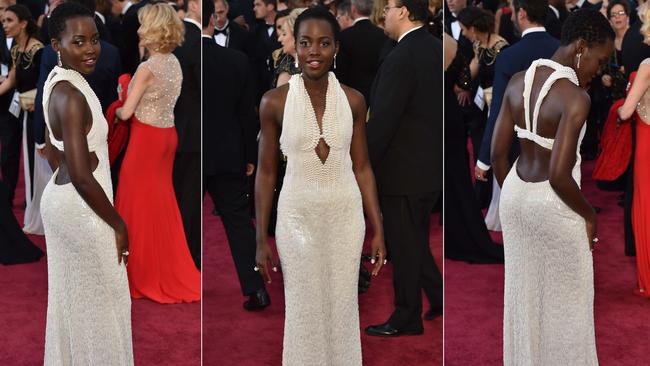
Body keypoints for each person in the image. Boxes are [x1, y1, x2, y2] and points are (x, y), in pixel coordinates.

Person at [255, 6, 386, 364]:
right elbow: (266, 173)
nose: (314, 51)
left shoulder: (355, 100)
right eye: (306, 42)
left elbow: (362, 167)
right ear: (293, 48)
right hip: (296, 218)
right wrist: (260, 240)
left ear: (336, 48)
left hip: (345, 217)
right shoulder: (273, 103)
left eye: (324, 43)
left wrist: (378, 227)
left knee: (343, 304)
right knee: (303, 305)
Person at [492, 9, 613, 364]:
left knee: (524, 296)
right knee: (568, 304)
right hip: (555, 203)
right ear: (581, 47)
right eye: (599, 59)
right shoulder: (576, 98)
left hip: (515, 196)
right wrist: (590, 215)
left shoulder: (516, 81)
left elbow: (499, 154)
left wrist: (517, 199)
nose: (599, 68)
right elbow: (560, 175)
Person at [40, 2, 133, 363]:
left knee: (79, 300)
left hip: (68, 199)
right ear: (56, 45)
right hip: (80, 206)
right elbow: (80, 175)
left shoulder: (60, 81)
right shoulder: (71, 94)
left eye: (94, 39)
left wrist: (75, 156)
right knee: (104, 299)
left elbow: (50, 147)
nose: (91, 49)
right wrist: (119, 224)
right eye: (78, 42)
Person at [363, 0, 443, 337]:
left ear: (404, 11)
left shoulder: (401, 56)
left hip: (403, 171)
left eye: (389, 6)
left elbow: (382, 121)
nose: (383, 14)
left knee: (405, 244)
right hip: (428, 168)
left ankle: (406, 316)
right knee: (413, 241)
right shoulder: (434, 46)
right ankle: (437, 295)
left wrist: (362, 165)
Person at [114, 2, 200, 304]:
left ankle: (138, 273)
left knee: (134, 203)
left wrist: (121, 90)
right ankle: (164, 267)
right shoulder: (173, 62)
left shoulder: (148, 68)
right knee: (161, 204)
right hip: (168, 137)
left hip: (146, 141)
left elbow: (126, 113)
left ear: (153, 29)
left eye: (142, 24)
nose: (138, 30)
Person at [203, 0, 270, 311]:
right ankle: (256, 289)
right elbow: (247, 115)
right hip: (230, 153)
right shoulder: (238, 61)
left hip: (191, 155)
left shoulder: (180, 58)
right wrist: (248, 156)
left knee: (187, 219)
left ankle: (189, 281)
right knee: (239, 223)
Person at [0, 4, 49, 234]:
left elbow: (44, 86)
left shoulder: (38, 50)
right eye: (4, 22)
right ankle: (30, 209)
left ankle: (41, 212)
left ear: (23, 23)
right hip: (20, 111)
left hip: (37, 114)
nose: (5, 25)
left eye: (9, 21)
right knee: (23, 160)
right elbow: (11, 81)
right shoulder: (16, 49)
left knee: (36, 162)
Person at [617, 2, 650, 298]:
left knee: (646, 207)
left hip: (648, 144)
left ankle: (647, 280)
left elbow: (626, 113)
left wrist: (628, 101)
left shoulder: (647, 66)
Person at [173, 0, 202, 268]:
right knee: (189, 202)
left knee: (183, 198)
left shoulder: (176, 37)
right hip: (193, 134)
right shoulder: (192, 40)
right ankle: (188, 258)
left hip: (176, 131)